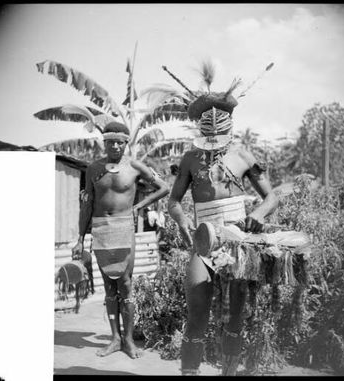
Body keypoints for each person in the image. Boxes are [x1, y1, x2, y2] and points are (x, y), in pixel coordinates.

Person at [168, 96, 279, 375]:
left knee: (234, 318)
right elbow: (174, 201)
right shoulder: (191, 159)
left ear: (230, 132)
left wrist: (258, 215)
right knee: (197, 315)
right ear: (202, 134)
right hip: (204, 242)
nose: (214, 148)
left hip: (237, 244)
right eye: (209, 142)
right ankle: (189, 372)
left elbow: (272, 196)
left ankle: (228, 372)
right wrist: (182, 222)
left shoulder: (243, 156)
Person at [72, 121, 169, 359]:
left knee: (125, 285)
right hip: (101, 229)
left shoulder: (136, 166)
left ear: (126, 143)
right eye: (109, 142)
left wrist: (139, 206)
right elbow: (87, 204)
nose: (114, 145)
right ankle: (115, 338)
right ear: (104, 143)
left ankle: (128, 340)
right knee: (108, 288)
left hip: (124, 229)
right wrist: (80, 239)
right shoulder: (93, 169)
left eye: (119, 142)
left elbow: (164, 187)